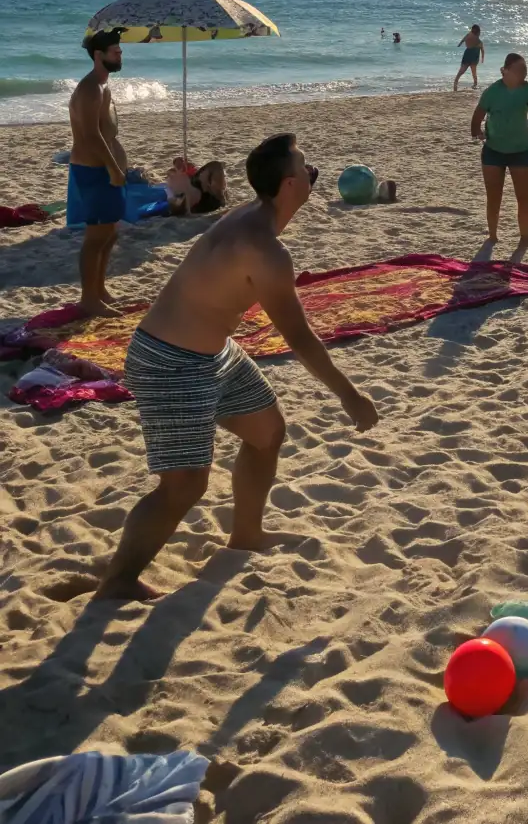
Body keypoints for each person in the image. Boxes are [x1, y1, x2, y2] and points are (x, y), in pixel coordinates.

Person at [94, 133, 378, 602]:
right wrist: (348, 394)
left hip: (212, 353)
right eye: (307, 170)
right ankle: (119, 581)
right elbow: (298, 337)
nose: (312, 176)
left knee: (267, 432)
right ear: (289, 185)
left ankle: (246, 534)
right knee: (184, 484)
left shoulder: (256, 219)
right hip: (169, 360)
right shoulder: (264, 248)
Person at [69, 31, 128, 316]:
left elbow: (106, 132)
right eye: (115, 51)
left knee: (110, 234)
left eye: (119, 51)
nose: (120, 55)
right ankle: (88, 300)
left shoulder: (105, 86)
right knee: (96, 237)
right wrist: (114, 169)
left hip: (105, 171)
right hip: (94, 171)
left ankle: (99, 290)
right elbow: (91, 136)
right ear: (98, 55)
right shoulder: (91, 87)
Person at [471, 53, 528, 248]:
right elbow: (476, 118)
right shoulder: (492, 91)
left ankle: (524, 238)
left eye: (525, 69)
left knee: (523, 197)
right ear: (506, 71)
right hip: (493, 151)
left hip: (521, 151)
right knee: (493, 196)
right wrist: (478, 133)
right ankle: (493, 236)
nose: (524, 72)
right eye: (520, 69)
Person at [454, 25, 485, 91]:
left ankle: (456, 81)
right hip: (474, 58)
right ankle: (475, 84)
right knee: (474, 72)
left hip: (467, 55)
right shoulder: (479, 42)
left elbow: (462, 40)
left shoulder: (468, 35)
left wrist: (459, 45)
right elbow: (482, 50)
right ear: (478, 32)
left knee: (461, 71)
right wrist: (482, 58)